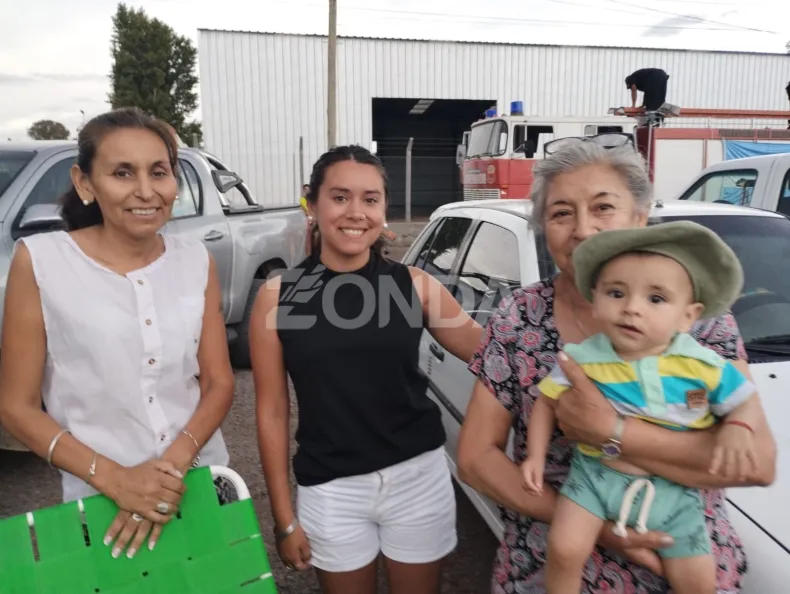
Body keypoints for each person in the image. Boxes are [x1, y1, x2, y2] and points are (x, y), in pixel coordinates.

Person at [456, 141, 777, 594]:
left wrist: (611, 432)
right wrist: (594, 523)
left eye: (603, 207)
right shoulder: (520, 316)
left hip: (679, 555)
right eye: (561, 213)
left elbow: (755, 463)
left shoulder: (699, 321)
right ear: (543, 227)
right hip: (552, 559)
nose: (583, 229)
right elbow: (475, 459)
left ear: (640, 217)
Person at [0, 107, 235, 560]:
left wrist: (166, 473)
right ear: (85, 183)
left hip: (199, 481)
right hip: (100, 499)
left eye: (159, 172)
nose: (146, 191)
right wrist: (117, 480)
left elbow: (219, 381)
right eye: (123, 173)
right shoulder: (41, 261)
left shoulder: (194, 260)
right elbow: (16, 407)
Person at [251, 145, 484, 594]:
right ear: (312, 204)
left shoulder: (415, 286)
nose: (355, 212)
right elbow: (272, 412)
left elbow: (492, 355)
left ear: (383, 209)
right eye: (340, 197)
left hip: (418, 478)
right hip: (332, 488)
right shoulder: (278, 298)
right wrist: (283, 519)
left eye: (370, 199)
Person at [522, 221, 760, 594]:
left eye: (656, 299)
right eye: (616, 293)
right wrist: (534, 456)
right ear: (595, 298)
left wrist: (738, 428)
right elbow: (546, 402)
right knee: (564, 549)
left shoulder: (704, 366)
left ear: (688, 315)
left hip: (675, 492)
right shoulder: (582, 358)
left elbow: (744, 401)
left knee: (698, 579)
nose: (632, 308)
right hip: (593, 478)